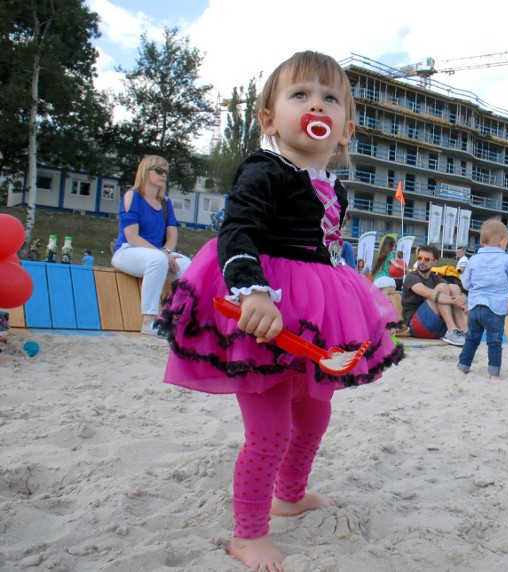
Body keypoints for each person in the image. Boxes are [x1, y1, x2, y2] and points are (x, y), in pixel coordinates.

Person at [154, 51, 404, 571]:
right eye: (301, 95)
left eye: (330, 98)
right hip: (262, 305)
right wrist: (253, 292)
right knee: (269, 430)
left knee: (315, 414)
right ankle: (248, 533)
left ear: (344, 129)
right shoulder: (266, 169)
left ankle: (290, 494)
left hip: (315, 311)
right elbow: (238, 229)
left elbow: (326, 250)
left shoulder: (332, 184)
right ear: (270, 120)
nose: (317, 104)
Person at [111, 155, 192, 335]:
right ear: (145, 172)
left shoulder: (165, 202)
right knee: (157, 260)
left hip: (159, 253)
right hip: (128, 251)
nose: (163, 175)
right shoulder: (132, 196)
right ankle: (149, 321)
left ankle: (179, 318)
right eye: (158, 170)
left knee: (189, 267)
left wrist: (166, 251)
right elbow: (132, 236)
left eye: (166, 172)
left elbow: (172, 235)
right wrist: (162, 254)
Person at [456, 220, 508, 379]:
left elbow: (465, 283)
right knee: (494, 342)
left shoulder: (473, 260)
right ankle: (493, 373)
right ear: (503, 241)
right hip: (495, 308)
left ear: (481, 241)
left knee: (472, 339)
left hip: (474, 307)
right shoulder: (507, 259)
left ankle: (462, 367)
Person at [401, 244, 468, 346]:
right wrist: (454, 301)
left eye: (427, 259)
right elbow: (429, 293)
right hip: (417, 326)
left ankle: (462, 331)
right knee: (442, 288)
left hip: (436, 328)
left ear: (434, 262)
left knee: (454, 287)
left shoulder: (434, 278)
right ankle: (452, 330)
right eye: (420, 258)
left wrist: (462, 298)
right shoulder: (411, 277)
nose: (422, 262)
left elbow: (458, 290)